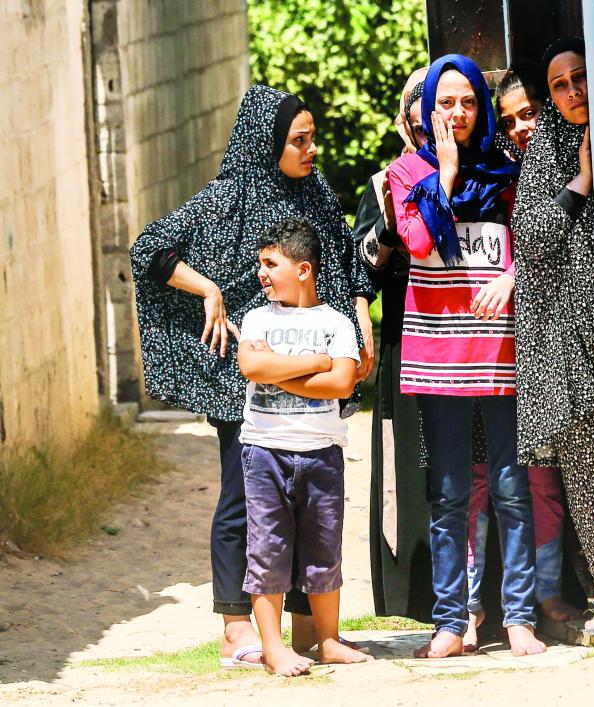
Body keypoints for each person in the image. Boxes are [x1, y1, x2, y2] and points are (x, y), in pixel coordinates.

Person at [129, 85, 374, 668]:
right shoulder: (229, 197)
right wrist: (209, 288)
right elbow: (148, 250)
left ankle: (311, 628)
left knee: (307, 499)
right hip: (247, 377)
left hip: (313, 370)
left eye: (312, 137)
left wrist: (361, 320)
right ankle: (236, 625)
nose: (312, 149)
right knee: (246, 501)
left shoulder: (313, 190)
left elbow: (343, 257)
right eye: (300, 140)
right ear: (269, 143)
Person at [386, 53, 546, 659]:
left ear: (481, 106)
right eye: (444, 101)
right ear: (427, 110)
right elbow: (419, 240)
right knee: (449, 491)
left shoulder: (506, 173)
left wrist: (513, 276)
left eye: (467, 101)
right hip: (439, 352)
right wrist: (446, 172)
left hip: (499, 347)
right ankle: (452, 621)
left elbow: (524, 244)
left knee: (510, 486)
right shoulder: (407, 173)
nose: (456, 112)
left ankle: (520, 620)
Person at [463, 62, 582, 653]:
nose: (519, 129)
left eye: (527, 114)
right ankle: (473, 608)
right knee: (484, 480)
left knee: (541, 479)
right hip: (486, 349)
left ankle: (549, 595)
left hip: (539, 346)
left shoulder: (559, 163)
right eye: (508, 120)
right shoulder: (491, 175)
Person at [511, 38, 594, 626]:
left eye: (581, 77)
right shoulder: (548, 149)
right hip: (567, 341)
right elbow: (533, 238)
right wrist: (581, 180)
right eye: (560, 84)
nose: (574, 91)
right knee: (585, 468)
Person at [237, 218, 371, 675]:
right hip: (264, 453)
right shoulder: (256, 318)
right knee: (267, 550)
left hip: (321, 454)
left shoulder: (336, 321)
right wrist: (314, 360)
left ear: (303, 269)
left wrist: (284, 369)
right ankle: (274, 648)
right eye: (261, 264)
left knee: (323, 550)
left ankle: (328, 640)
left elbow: (340, 381)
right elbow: (252, 366)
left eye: (270, 264)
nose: (262, 273)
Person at [358, 69, 439, 625]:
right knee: (410, 465)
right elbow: (363, 264)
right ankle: (415, 593)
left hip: (463, 336)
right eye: (415, 113)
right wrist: (390, 227)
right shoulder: (386, 181)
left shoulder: (474, 172)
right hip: (405, 340)